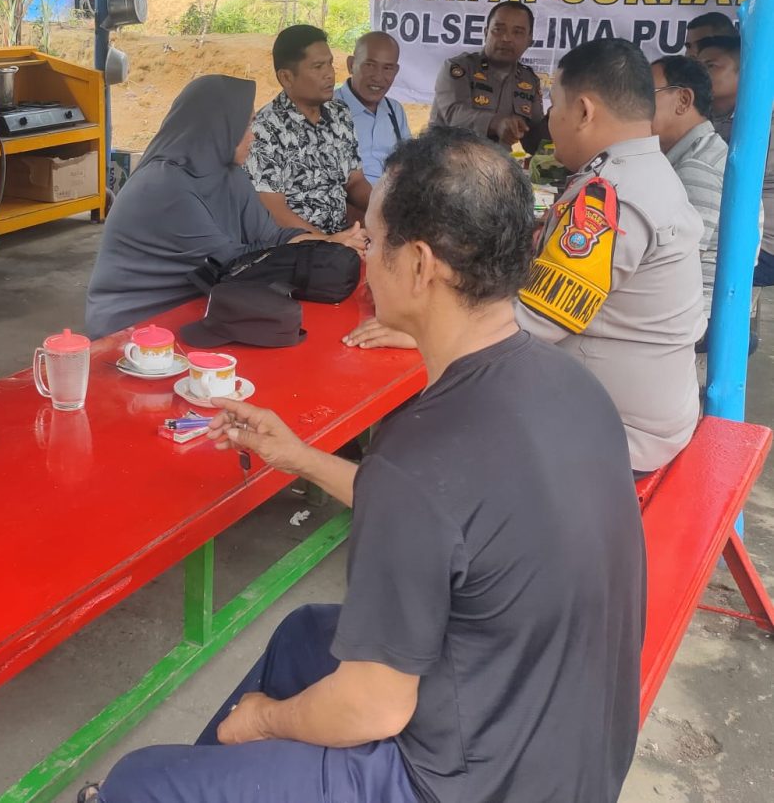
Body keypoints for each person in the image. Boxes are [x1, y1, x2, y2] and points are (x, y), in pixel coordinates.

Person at [81, 127, 644, 803]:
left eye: (372, 240)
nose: (364, 258)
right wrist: (299, 457)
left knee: (139, 781)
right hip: (567, 746)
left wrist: (263, 719)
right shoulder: (569, 385)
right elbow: (450, 523)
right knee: (302, 636)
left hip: (468, 783)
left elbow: (372, 709)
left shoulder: (423, 452)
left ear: (418, 265)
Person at [349, 39, 704, 474]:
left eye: (554, 107)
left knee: (426, 421)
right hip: (647, 412)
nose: (549, 121)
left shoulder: (610, 196)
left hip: (615, 433)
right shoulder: (648, 173)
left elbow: (537, 322)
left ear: (585, 112)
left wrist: (424, 331)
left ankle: (398, 501)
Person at [85, 75, 365, 339]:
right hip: (134, 328)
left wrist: (330, 243)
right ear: (219, 127)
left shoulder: (229, 174)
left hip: (202, 303)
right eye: (246, 126)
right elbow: (235, 264)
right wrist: (322, 252)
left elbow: (271, 236)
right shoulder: (162, 186)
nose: (253, 136)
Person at [244, 25, 372, 234]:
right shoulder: (265, 129)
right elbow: (274, 209)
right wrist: (327, 243)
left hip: (343, 237)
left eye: (330, 63)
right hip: (296, 248)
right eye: (318, 66)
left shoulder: (339, 113)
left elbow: (355, 181)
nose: (330, 74)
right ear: (286, 77)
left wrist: (384, 210)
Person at [651, 56, 729, 319]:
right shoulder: (699, 151)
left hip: (692, 316)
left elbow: (673, 265)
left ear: (684, 100)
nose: (637, 106)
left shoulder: (697, 167)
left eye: (648, 94)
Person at [694, 34, 774, 287]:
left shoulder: (762, 121)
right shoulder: (715, 114)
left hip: (763, 247)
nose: (701, 73)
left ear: (744, 72)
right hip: (729, 233)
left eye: (711, 65)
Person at [428, 0, 547, 152]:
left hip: (496, 169)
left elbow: (534, 142)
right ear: (486, 33)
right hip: (445, 164)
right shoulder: (458, 68)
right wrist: (496, 124)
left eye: (517, 32)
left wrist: (554, 120)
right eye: (498, 29)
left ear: (529, 41)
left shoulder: (529, 80)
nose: (506, 38)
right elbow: (454, 115)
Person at [334, 31, 411, 184]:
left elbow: (407, 164)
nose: (377, 77)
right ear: (351, 65)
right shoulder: (326, 108)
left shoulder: (395, 110)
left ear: (395, 72)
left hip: (391, 200)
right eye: (370, 65)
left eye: (387, 68)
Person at [695, 33, 741, 141]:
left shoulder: (764, 122)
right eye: (697, 66)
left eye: (710, 65)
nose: (698, 72)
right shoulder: (691, 118)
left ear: (742, 71)